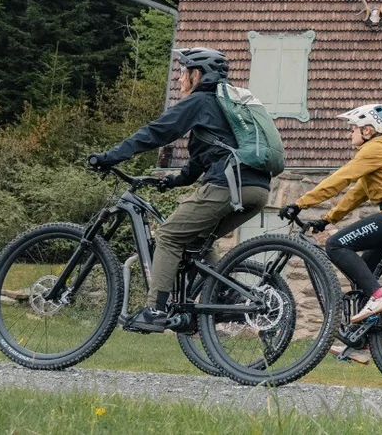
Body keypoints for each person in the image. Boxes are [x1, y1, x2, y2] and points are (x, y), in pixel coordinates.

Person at [88, 47, 273, 334]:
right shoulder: (224, 109)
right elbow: (200, 161)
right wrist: (171, 181)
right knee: (198, 242)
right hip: (257, 189)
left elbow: (156, 132)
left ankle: (155, 311)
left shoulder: (200, 101)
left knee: (169, 235)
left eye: (183, 73)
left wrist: (110, 157)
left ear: (196, 74)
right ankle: (222, 297)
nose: (179, 80)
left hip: (228, 185)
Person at [278, 104, 382, 364]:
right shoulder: (378, 155)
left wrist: (301, 202)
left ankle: (379, 297)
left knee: (336, 245)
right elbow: (356, 193)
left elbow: (341, 178)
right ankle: (360, 344)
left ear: (368, 130)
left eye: (353, 129)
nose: (350, 133)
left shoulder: (375, 149)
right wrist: (327, 219)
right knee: (363, 277)